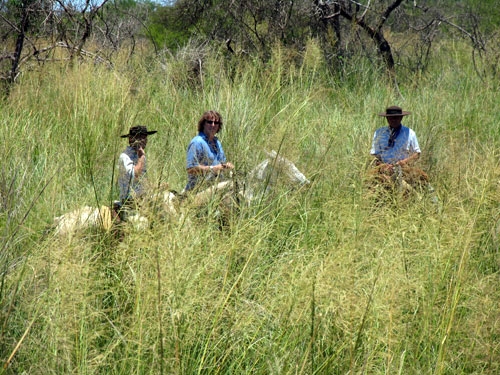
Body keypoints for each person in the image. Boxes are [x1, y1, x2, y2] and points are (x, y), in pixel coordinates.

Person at [369, 106, 428, 190]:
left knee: (422, 182)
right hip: (384, 169)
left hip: (404, 169)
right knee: (369, 185)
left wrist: (404, 162)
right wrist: (383, 165)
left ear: (401, 118)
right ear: (387, 118)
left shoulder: (409, 133)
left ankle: (432, 199)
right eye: (391, 118)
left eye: (396, 117)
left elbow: (417, 154)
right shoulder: (379, 133)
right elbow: (374, 154)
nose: (393, 120)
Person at [183, 110, 234, 193]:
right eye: (210, 122)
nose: (213, 125)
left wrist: (227, 166)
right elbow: (191, 168)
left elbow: (221, 164)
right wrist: (212, 169)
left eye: (216, 123)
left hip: (216, 187)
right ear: (203, 124)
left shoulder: (217, 143)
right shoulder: (197, 142)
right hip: (198, 190)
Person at [118, 125, 157, 205]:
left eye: (145, 138)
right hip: (129, 202)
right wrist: (141, 157)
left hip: (143, 200)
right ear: (131, 139)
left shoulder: (139, 155)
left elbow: (143, 180)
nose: (143, 141)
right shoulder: (125, 156)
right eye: (140, 138)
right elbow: (135, 174)